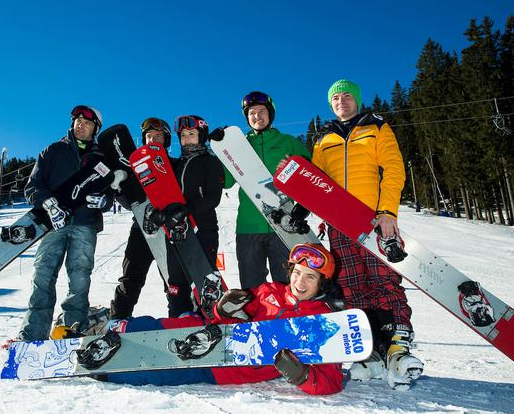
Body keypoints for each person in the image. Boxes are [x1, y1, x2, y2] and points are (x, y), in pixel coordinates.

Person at [96, 243, 343, 395]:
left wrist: (302, 377)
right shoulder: (269, 292)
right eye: (297, 273)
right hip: (212, 335)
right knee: (170, 326)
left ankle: (105, 373)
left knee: (166, 372)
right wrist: (222, 311)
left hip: (228, 367)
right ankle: (111, 329)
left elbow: (332, 380)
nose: (300, 282)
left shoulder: (321, 320)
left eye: (310, 277)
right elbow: (226, 320)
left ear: (323, 282)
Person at [312, 79, 423, 390]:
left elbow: (394, 168)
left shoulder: (376, 127)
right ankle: (369, 350)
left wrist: (388, 212)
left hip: (373, 219)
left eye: (347, 96)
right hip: (338, 223)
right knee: (350, 284)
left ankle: (397, 346)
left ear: (356, 100)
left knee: (383, 279)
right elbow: (316, 182)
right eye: (336, 98)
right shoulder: (323, 139)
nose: (341, 102)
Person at [17, 105, 111, 341]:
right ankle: (33, 334)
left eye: (87, 123)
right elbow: (31, 186)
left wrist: (104, 200)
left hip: (85, 224)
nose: (80, 125)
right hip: (53, 224)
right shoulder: (54, 150)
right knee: (43, 275)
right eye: (77, 121)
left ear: (95, 128)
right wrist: (47, 203)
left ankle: (73, 330)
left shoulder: (101, 159)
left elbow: (111, 193)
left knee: (79, 277)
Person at [214, 91, 311, 289]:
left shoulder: (288, 143)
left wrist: (303, 207)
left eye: (261, 111)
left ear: (270, 114)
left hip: (284, 225)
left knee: (287, 284)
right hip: (248, 227)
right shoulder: (240, 146)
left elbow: (309, 178)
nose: (257, 116)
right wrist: (222, 149)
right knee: (252, 287)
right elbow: (225, 181)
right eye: (252, 113)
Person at [109, 118, 192, 319]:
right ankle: (117, 321)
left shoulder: (176, 164)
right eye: (149, 137)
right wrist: (118, 187)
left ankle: (181, 319)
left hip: (170, 230)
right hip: (142, 230)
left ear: (165, 141)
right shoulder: (134, 169)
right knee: (130, 279)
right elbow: (130, 202)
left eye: (158, 136)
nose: (153, 139)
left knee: (174, 280)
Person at [172, 114, 224, 271]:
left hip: (203, 227)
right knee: (177, 281)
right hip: (177, 229)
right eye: (183, 135)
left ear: (201, 136)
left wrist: (186, 209)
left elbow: (213, 199)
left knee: (203, 276)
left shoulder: (210, 161)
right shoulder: (176, 165)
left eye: (191, 134)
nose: (186, 139)